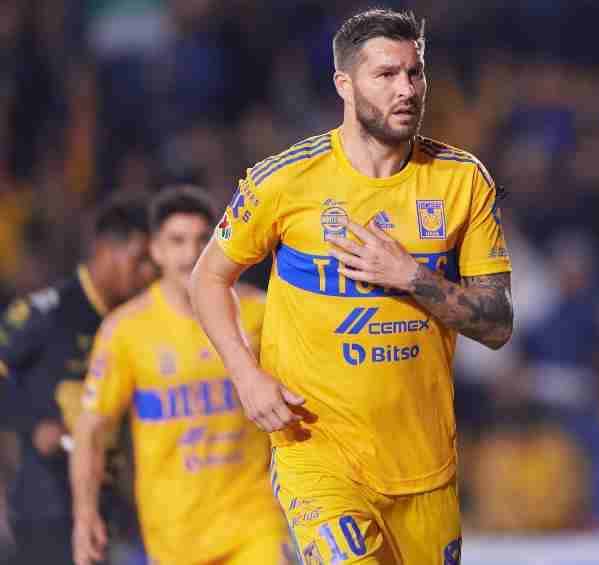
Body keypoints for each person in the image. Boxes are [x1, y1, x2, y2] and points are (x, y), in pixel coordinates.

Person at [190, 8, 513, 565]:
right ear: (344, 83)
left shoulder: (462, 181)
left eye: (415, 73)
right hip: (318, 456)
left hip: (424, 466)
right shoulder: (284, 180)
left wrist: (411, 276)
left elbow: (498, 323)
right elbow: (209, 277)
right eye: (386, 74)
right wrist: (246, 375)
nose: (406, 89)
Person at [70, 186, 289, 565]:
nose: (191, 254)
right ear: (156, 251)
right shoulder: (126, 330)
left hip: (255, 523)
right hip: (173, 538)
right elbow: (92, 428)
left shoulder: (259, 312)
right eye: (177, 241)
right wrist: (85, 514)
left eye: (202, 239)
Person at [0, 197, 153, 564]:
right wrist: (34, 425)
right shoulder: (49, 314)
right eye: (140, 259)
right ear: (105, 251)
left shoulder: (137, 323)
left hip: (113, 501)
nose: (148, 273)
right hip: (48, 506)